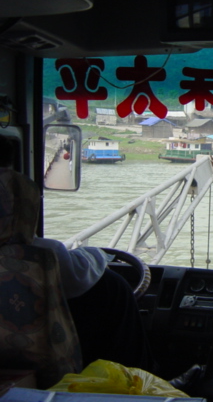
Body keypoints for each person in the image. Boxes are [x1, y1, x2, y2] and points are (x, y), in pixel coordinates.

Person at [0, 134, 155, 372]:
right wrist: (98, 255)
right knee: (114, 288)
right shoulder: (43, 257)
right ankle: (138, 381)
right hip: (46, 368)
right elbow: (83, 271)